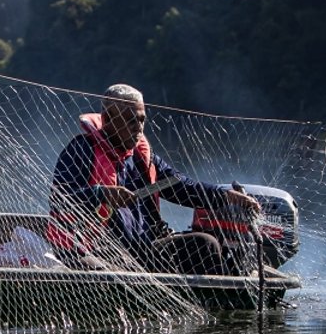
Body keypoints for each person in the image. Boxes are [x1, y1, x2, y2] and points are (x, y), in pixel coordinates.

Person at [47, 84, 260, 275]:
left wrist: (226, 196)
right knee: (202, 244)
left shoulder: (142, 158)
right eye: (131, 121)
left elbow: (182, 187)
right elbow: (60, 198)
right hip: (103, 249)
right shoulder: (81, 151)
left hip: (146, 250)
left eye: (141, 120)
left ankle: (222, 300)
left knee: (212, 243)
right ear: (108, 119)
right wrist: (102, 194)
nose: (138, 128)